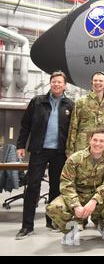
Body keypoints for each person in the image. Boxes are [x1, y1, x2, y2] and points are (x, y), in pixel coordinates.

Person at [15, 71, 74, 239]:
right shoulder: (37, 101)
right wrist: (21, 145)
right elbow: (25, 125)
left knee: (56, 188)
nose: (56, 84)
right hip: (39, 150)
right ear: (50, 83)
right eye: (54, 82)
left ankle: (51, 221)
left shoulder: (70, 105)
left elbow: (72, 130)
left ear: (65, 85)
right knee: (33, 186)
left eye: (59, 82)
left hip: (59, 152)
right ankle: (27, 226)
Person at [46, 128, 104, 246]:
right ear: (89, 140)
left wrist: (94, 200)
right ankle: (72, 228)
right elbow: (66, 183)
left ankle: (102, 224)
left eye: (102, 141)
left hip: (97, 196)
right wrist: (75, 205)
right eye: (95, 140)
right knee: (53, 208)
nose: (98, 144)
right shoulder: (75, 158)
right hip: (77, 195)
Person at [66, 71, 104, 157]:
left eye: (100, 81)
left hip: (101, 147)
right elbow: (73, 127)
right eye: (95, 80)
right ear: (92, 83)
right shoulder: (81, 102)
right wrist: (70, 150)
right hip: (82, 147)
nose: (97, 83)